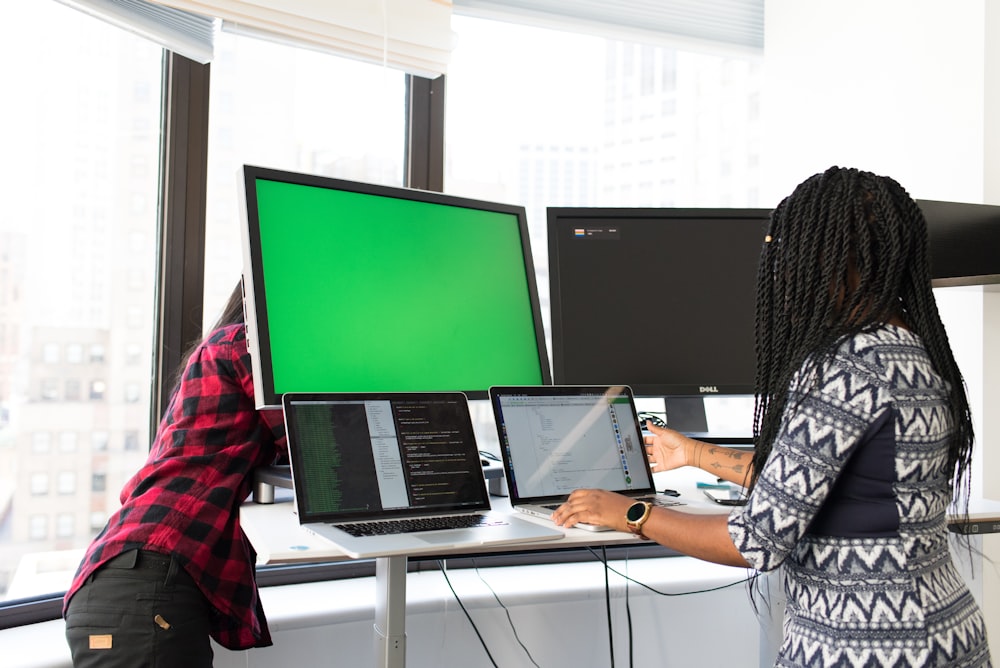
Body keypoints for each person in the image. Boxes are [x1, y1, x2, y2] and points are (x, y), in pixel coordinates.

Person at [552, 166, 992, 666]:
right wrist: (695, 453)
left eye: (789, 250)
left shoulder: (842, 366)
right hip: (946, 635)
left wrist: (633, 514)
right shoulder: (915, 349)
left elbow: (755, 541)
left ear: (823, 257)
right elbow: (827, 484)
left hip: (866, 646)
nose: (782, 266)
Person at [63, 280, 287, 667]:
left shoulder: (217, 353)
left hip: (126, 582)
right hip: (143, 587)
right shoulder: (245, 343)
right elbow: (311, 443)